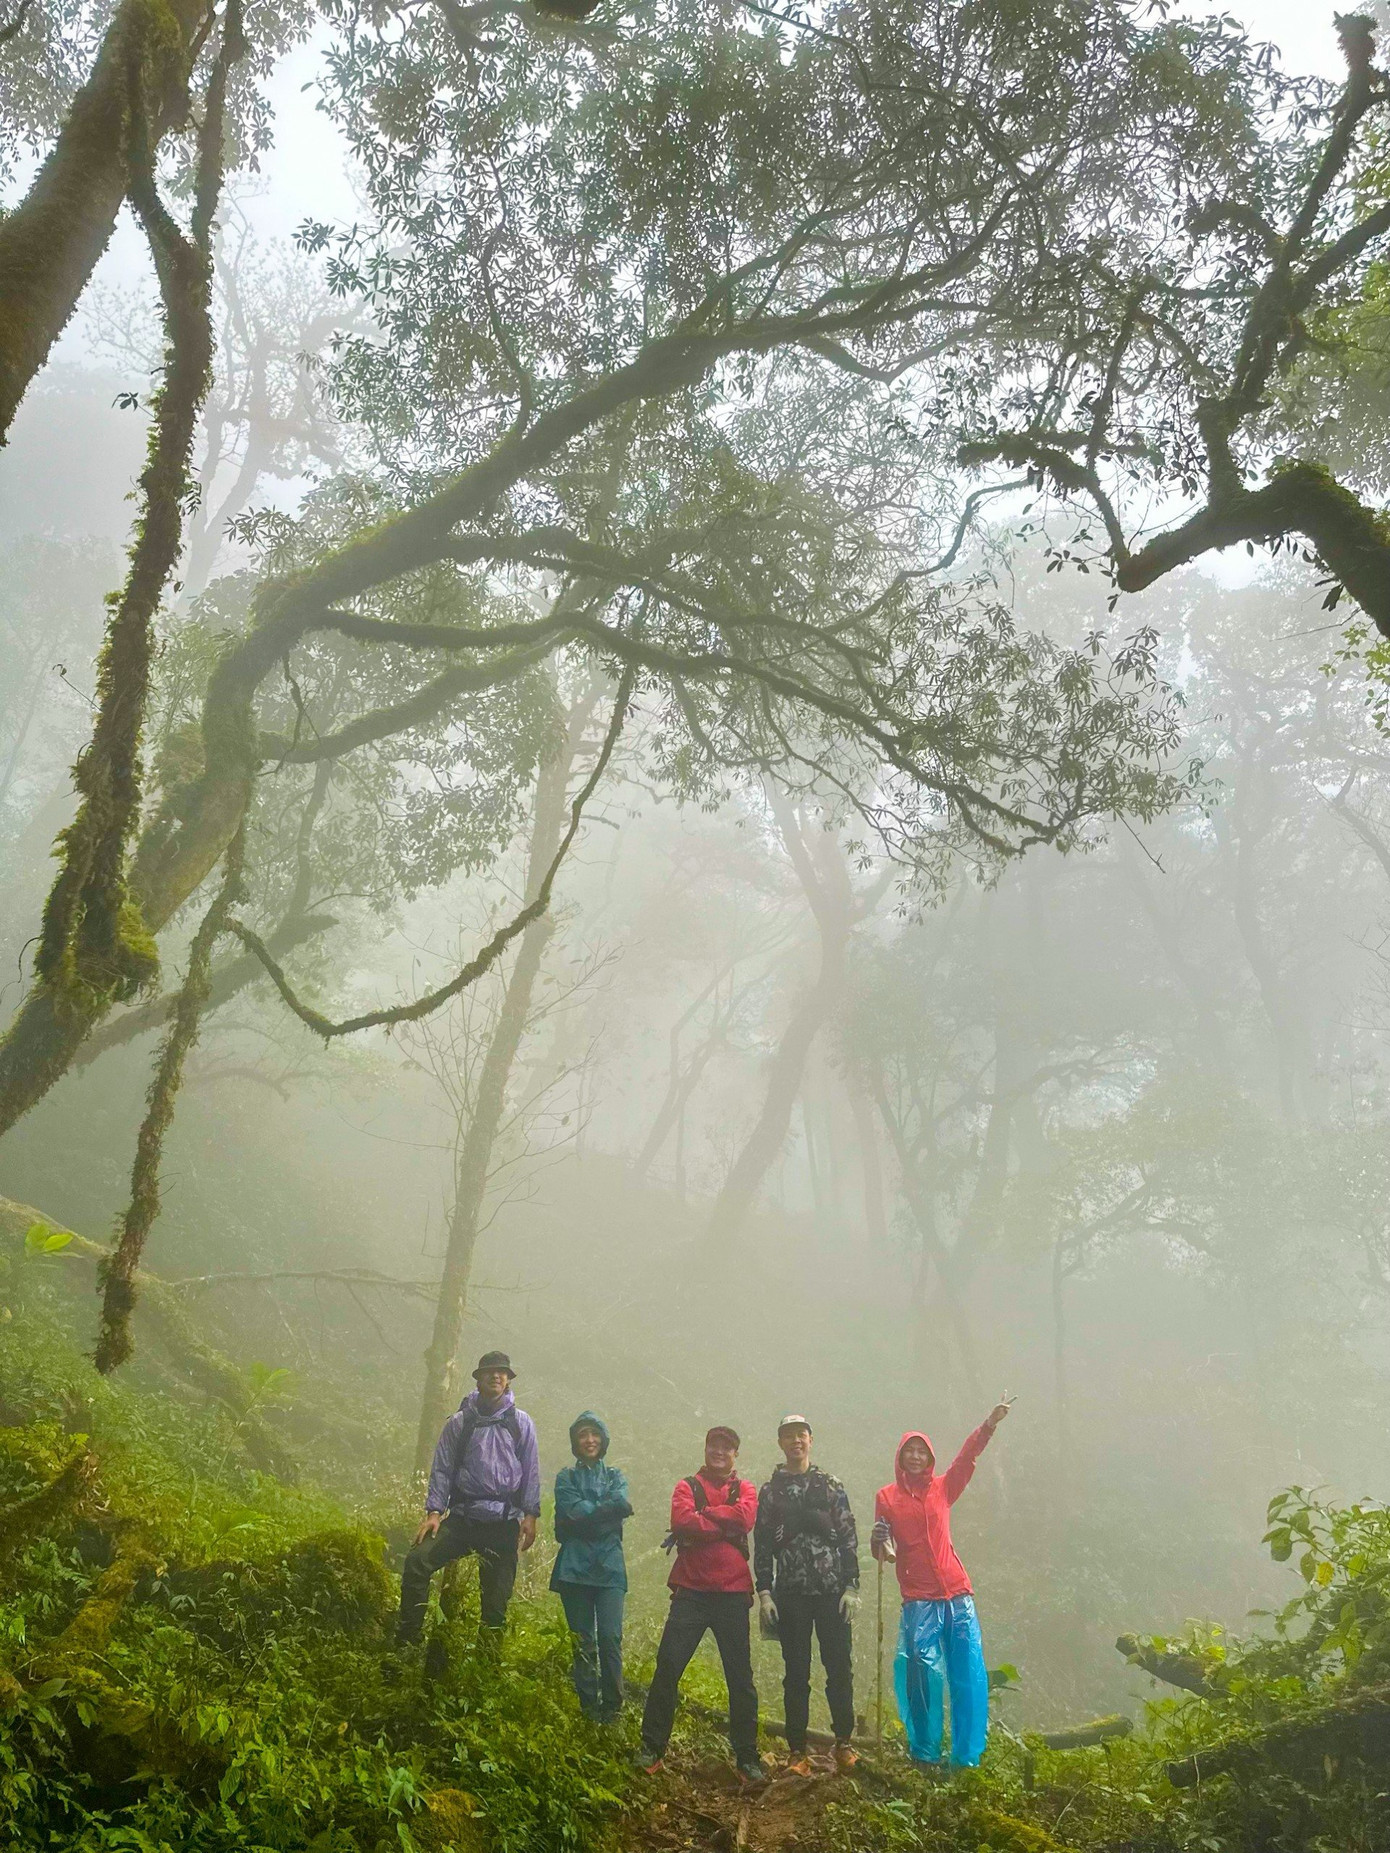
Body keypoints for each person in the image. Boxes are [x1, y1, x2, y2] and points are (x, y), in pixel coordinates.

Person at [871, 1402, 1012, 1770]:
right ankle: (925, 1754)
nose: (915, 1457)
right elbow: (883, 1551)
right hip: (918, 1598)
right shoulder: (886, 1497)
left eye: (922, 1451)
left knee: (967, 1675)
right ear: (899, 1457)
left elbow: (966, 1458)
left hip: (957, 1592)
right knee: (920, 1675)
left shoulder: (943, 1488)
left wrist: (988, 1425)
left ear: (929, 1457)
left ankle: (966, 1758)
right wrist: (878, 1539)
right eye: (909, 1451)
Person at [638, 1425, 764, 1784]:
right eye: (714, 1445)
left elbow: (746, 1518)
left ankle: (747, 1758)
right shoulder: (686, 1486)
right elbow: (681, 1521)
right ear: (706, 1448)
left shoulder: (746, 1488)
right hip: (690, 1591)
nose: (719, 1451)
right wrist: (723, 1521)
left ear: (736, 1454)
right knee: (668, 1668)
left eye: (727, 1447)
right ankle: (651, 1748)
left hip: (733, 1593)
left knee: (740, 1679)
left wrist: (705, 1517)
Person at [396, 1351, 540, 1649]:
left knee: (496, 1604)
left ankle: (486, 1671)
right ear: (479, 1378)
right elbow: (443, 1468)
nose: (496, 1376)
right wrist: (434, 1512)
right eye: (490, 1372)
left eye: (502, 1372)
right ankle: (407, 1642)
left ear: (509, 1380)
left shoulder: (521, 1423)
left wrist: (530, 1515)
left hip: (502, 1522)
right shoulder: (460, 1423)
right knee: (417, 1561)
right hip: (463, 1519)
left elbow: (530, 1470)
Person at [753, 1414, 860, 1776]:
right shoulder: (771, 1492)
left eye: (801, 1435)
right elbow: (763, 1543)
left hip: (832, 1593)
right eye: (788, 1436)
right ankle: (796, 1752)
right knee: (796, 1673)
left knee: (839, 1669)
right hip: (792, 1594)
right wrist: (765, 1592)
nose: (796, 1441)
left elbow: (848, 1536)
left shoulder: (830, 1485)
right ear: (780, 1443)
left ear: (811, 1440)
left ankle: (843, 1744)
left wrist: (851, 1586)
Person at [550, 1411, 632, 1722]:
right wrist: (607, 1512)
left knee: (610, 1637)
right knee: (582, 1640)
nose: (589, 1440)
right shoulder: (565, 1478)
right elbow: (573, 1510)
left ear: (603, 1439)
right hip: (573, 1569)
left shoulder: (616, 1476)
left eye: (594, 1433)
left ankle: (612, 1709)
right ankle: (588, 1711)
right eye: (583, 1434)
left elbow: (596, 1511)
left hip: (610, 1568)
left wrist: (586, 1518)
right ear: (575, 1441)